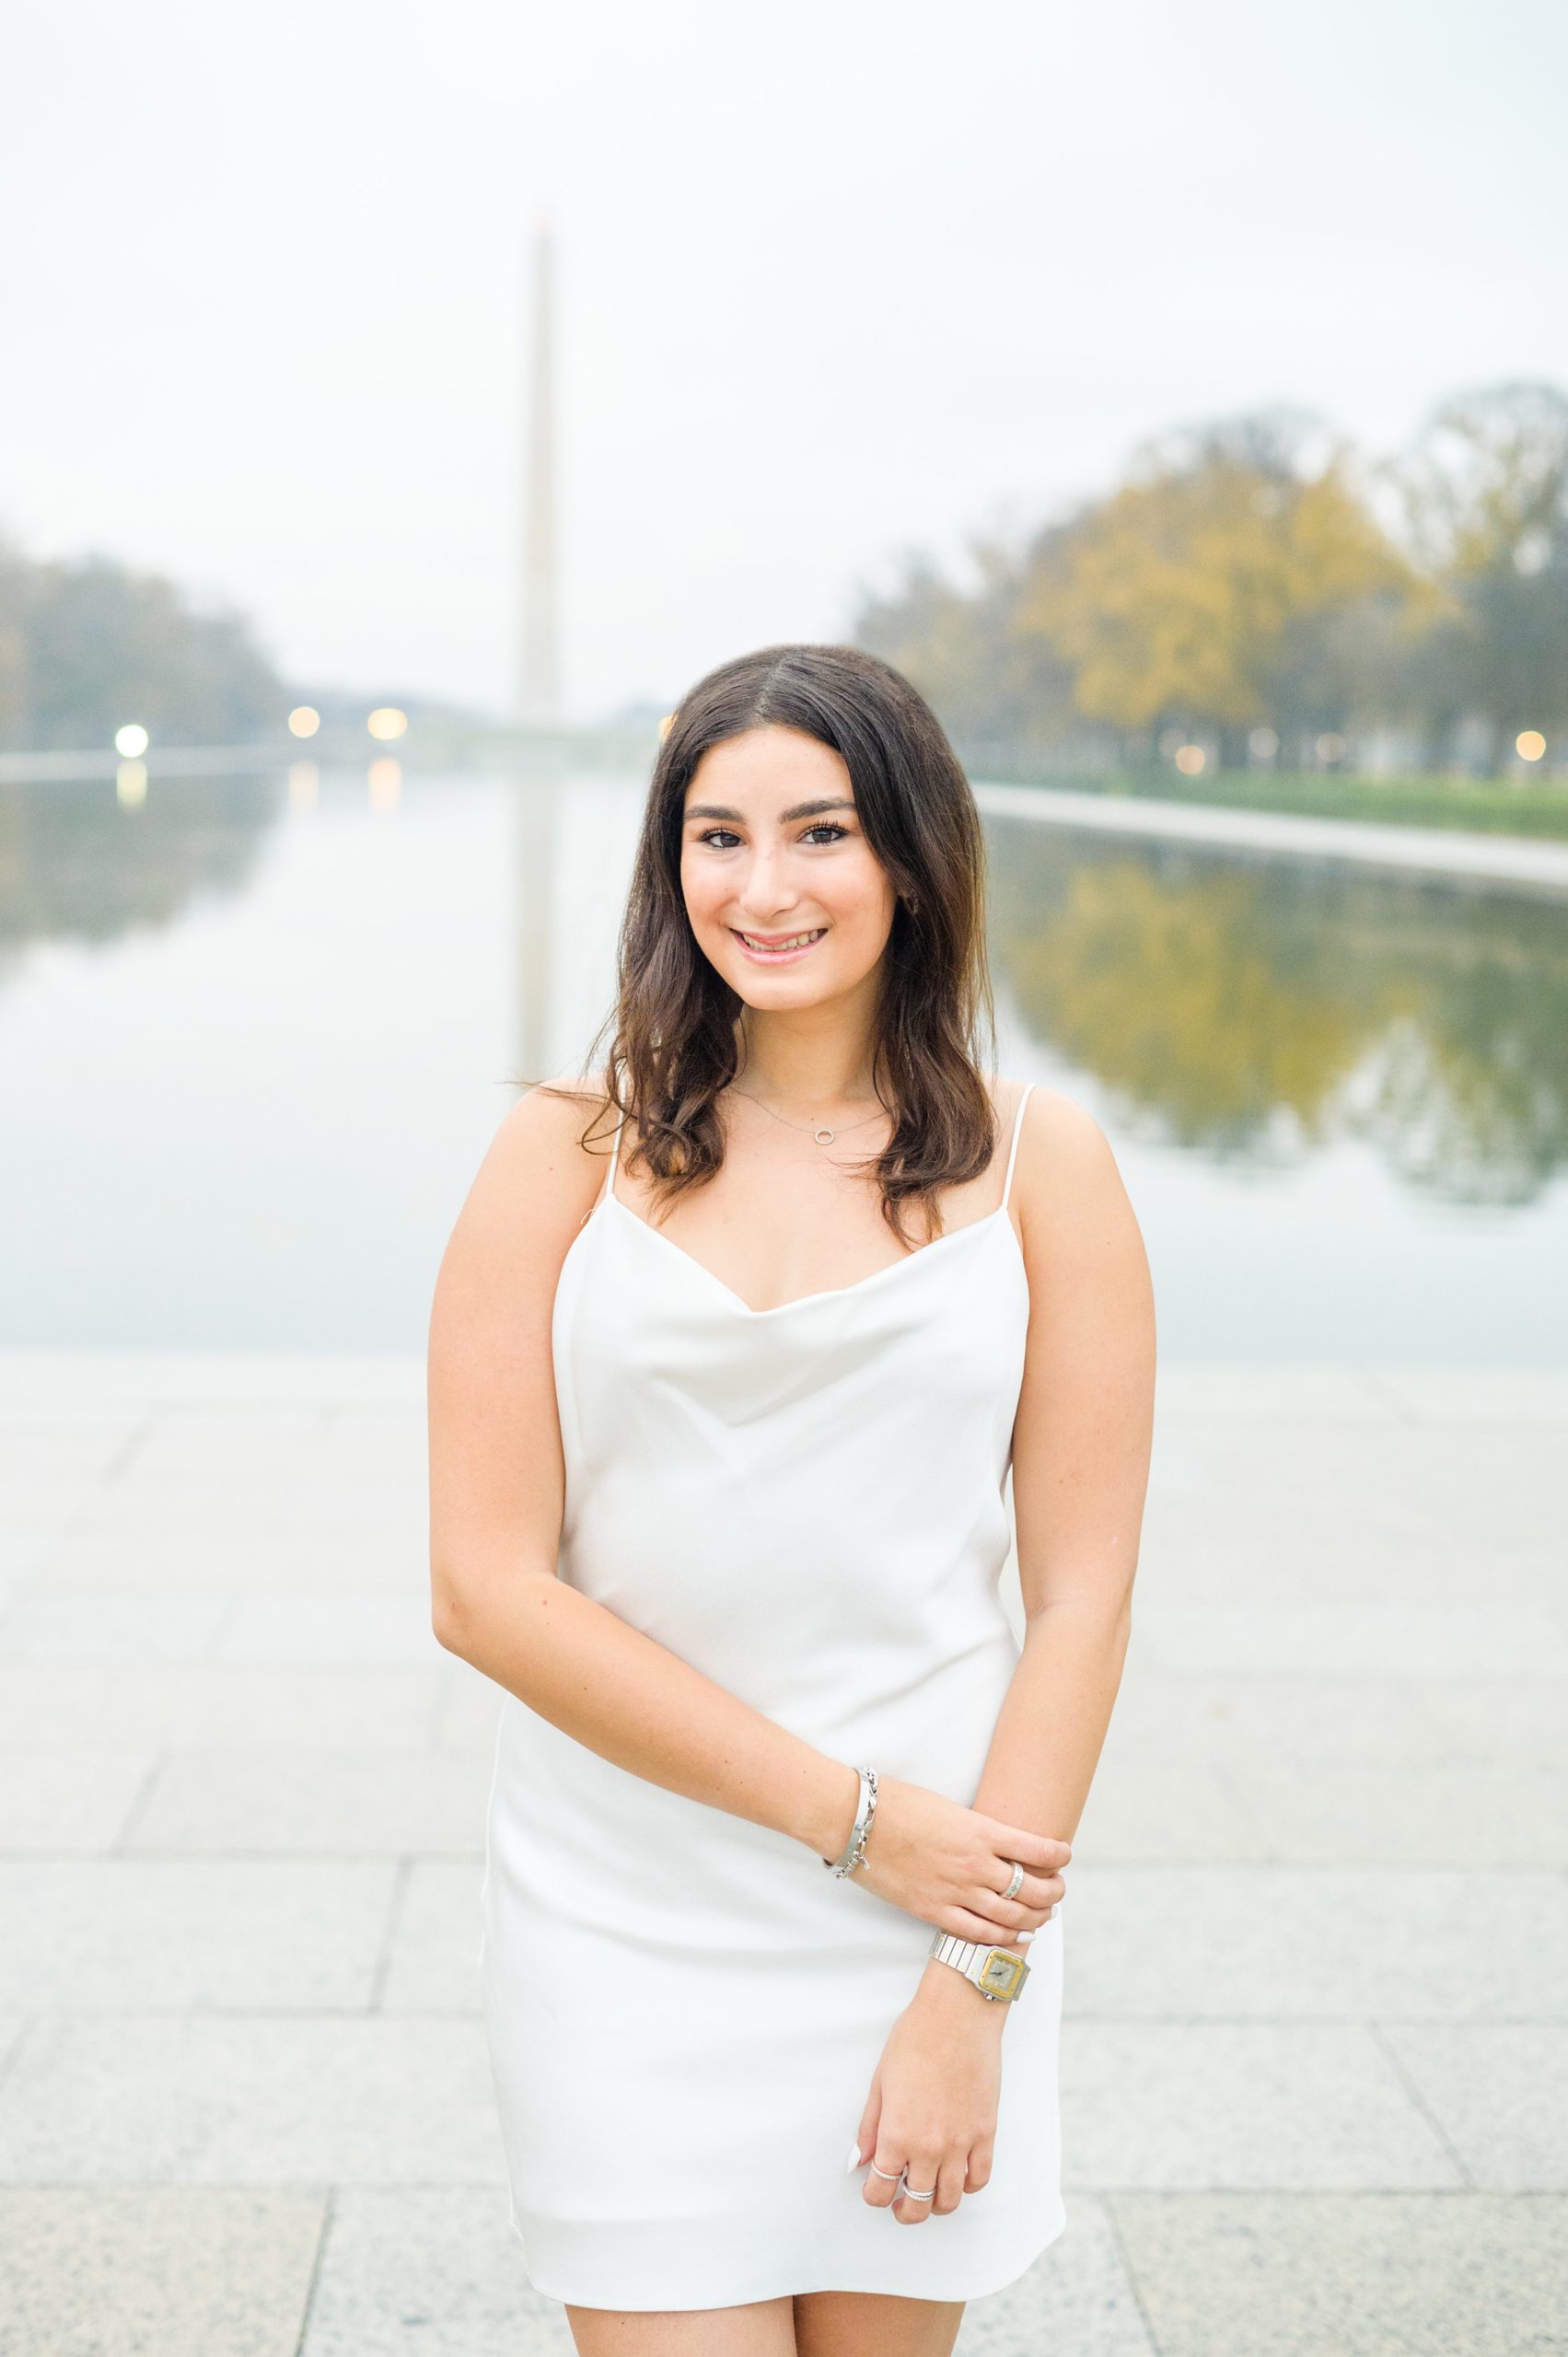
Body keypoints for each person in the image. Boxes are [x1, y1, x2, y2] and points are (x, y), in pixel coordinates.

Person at [426, 643, 1156, 2357]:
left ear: (910, 855)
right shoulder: (561, 1151)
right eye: (715, 834)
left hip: (928, 1926)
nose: (762, 888)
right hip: (627, 1911)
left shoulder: (1049, 1169)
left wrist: (973, 1980)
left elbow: (1083, 1602)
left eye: (819, 832)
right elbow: (484, 1587)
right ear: (667, 866)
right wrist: (853, 1816)